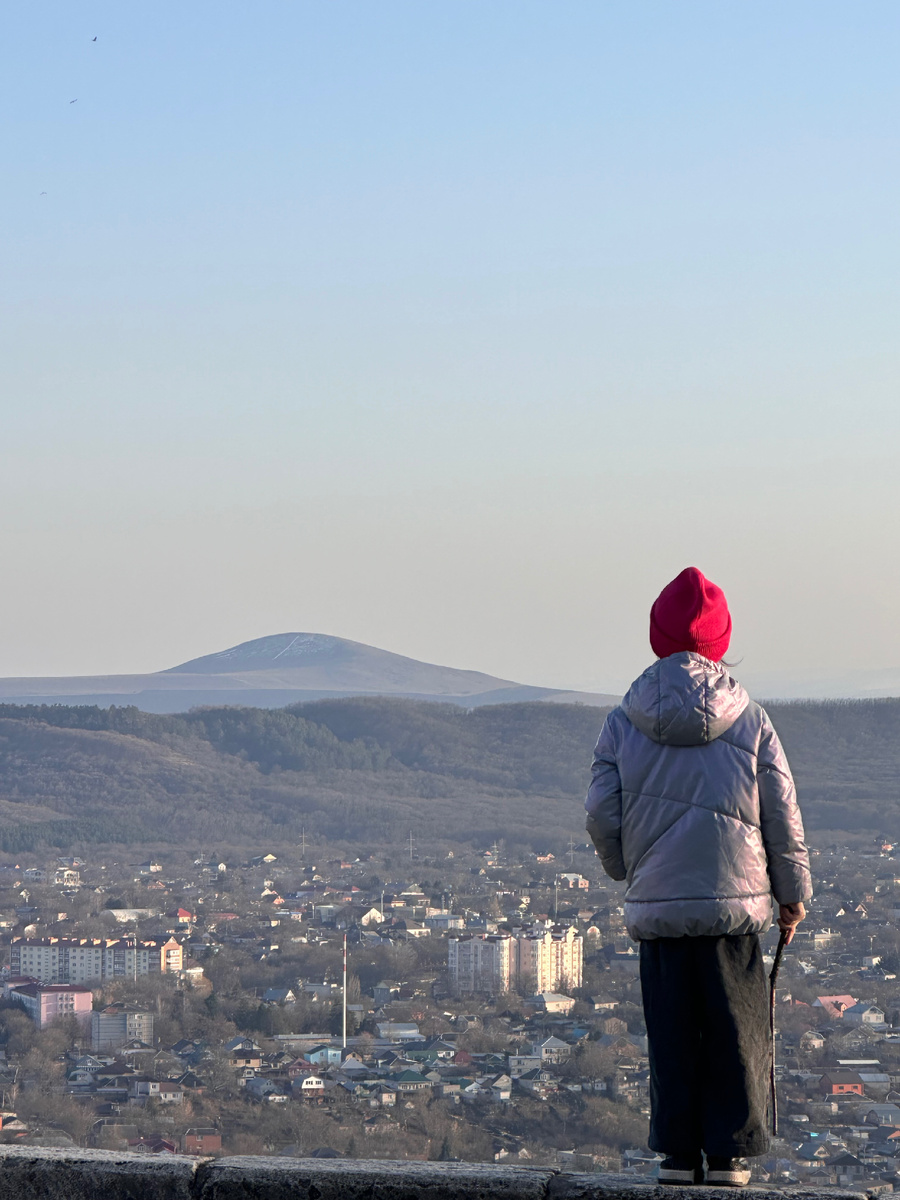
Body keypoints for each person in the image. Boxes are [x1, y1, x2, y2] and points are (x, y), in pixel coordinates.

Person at [585, 567, 811, 1187]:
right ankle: (730, 1155)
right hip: (733, 910)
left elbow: (602, 812)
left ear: (657, 636)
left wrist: (626, 870)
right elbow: (783, 816)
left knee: (672, 1031)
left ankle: (678, 1155)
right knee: (736, 1029)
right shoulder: (752, 720)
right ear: (721, 640)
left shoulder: (622, 721)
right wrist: (791, 898)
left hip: (660, 906)